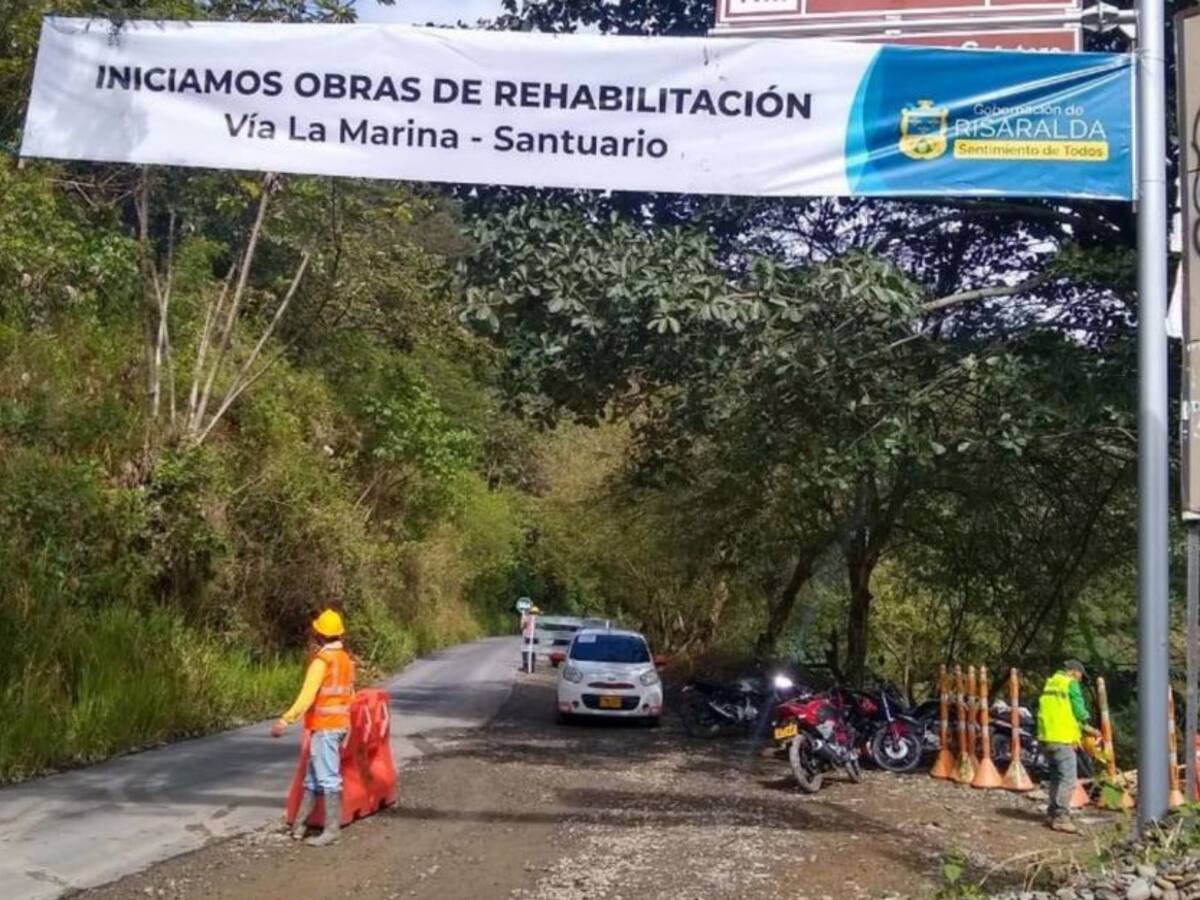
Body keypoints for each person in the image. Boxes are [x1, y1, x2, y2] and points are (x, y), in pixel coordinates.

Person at [271, 609, 355, 847]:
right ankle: (299, 826)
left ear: (319, 635)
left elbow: (307, 695)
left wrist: (286, 720)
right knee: (313, 777)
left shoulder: (322, 661)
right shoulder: (345, 660)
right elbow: (351, 694)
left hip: (326, 727)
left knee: (328, 778)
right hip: (339, 725)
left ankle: (332, 831)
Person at [1036, 659, 1099, 833]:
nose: (1080, 679)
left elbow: (1062, 713)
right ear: (1074, 672)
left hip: (1046, 738)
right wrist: (1087, 722)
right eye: (1080, 676)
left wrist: (1082, 730)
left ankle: (1052, 814)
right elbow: (1078, 710)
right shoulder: (1070, 684)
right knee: (1068, 780)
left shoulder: (1051, 683)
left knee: (1056, 777)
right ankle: (1061, 817)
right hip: (1062, 739)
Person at [520, 605, 540, 672]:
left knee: (525, 651)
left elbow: (523, 627)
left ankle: (526, 666)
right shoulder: (539, 619)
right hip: (536, 637)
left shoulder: (527, 617)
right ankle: (532, 667)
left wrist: (523, 620)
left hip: (528, 636)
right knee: (533, 652)